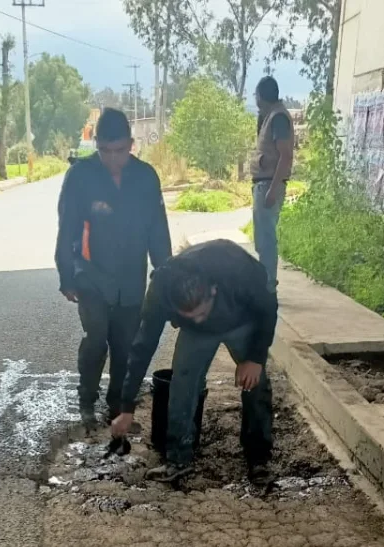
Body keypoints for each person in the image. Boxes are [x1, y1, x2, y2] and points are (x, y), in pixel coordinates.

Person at [111, 240, 278, 485]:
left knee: (256, 383)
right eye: (191, 316)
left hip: (242, 321)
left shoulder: (236, 267)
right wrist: (126, 407)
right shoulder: (161, 290)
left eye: (201, 313)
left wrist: (255, 358)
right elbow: (142, 347)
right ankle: (178, 459)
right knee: (182, 384)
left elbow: (268, 307)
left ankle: (259, 458)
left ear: (213, 289)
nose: (200, 319)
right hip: (196, 337)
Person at [55, 107, 172, 429]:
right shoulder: (80, 176)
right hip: (91, 273)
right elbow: (66, 228)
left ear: (131, 144)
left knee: (126, 344)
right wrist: (66, 273)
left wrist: (166, 276)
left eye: (119, 150)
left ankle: (119, 406)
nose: (112, 159)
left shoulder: (146, 177)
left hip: (131, 278)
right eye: (105, 151)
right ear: (97, 146)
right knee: (96, 338)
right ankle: (86, 400)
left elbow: (158, 231)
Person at [251, 77, 294, 293]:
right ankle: (265, 283)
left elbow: (285, 156)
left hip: (269, 185)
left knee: (266, 239)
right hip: (264, 184)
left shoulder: (278, 118)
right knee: (262, 238)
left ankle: (268, 287)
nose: (255, 99)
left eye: (256, 95)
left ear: (261, 96)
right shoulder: (269, 116)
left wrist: (273, 190)